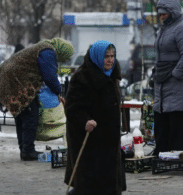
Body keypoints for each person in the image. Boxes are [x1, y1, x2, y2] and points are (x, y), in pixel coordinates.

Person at [0, 38, 74, 160]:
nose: (64, 60)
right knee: (30, 113)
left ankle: (24, 149)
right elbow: (49, 76)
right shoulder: (48, 51)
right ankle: (28, 150)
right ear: (62, 51)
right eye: (65, 56)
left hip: (12, 79)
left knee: (21, 113)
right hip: (19, 81)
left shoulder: (43, 47)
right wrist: (58, 91)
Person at [64, 41, 124, 194]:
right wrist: (84, 121)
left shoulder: (112, 76)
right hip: (90, 139)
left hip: (109, 139)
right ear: (97, 57)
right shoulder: (82, 77)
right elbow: (72, 107)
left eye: (112, 56)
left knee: (108, 183)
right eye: (106, 57)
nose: (110, 60)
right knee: (89, 185)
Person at [152, 0, 183, 155]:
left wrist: (175, 74)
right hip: (163, 80)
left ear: (173, 12)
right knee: (161, 117)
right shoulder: (164, 29)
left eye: (164, 13)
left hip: (178, 82)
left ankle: (176, 154)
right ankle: (162, 152)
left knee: (175, 118)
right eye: (160, 14)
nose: (161, 16)